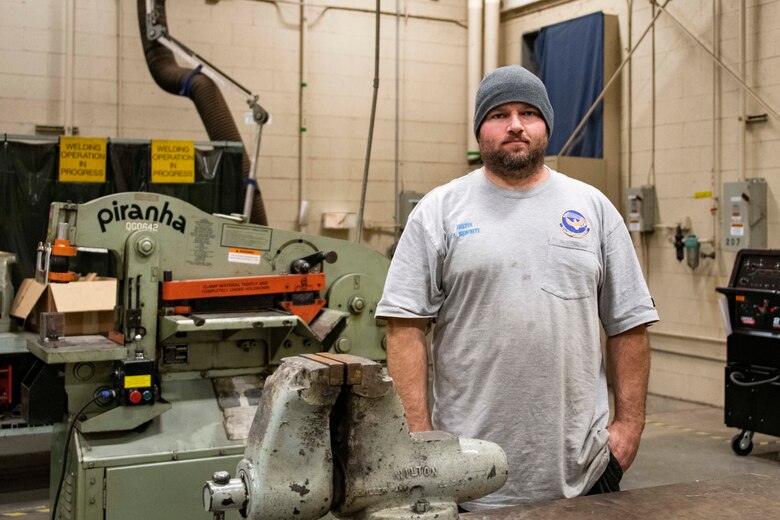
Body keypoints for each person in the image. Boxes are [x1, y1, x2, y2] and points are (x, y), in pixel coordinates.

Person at [375, 65, 659, 510]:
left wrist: (629, 426)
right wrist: (420, 437)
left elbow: (629, 324)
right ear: (479, 130)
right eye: (498, 114)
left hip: (584, 468)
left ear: (545, 126)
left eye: (528, 113)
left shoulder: (593, 209)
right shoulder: (439, 211)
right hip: (466, 471)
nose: (514, 125)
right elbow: (404, 326)